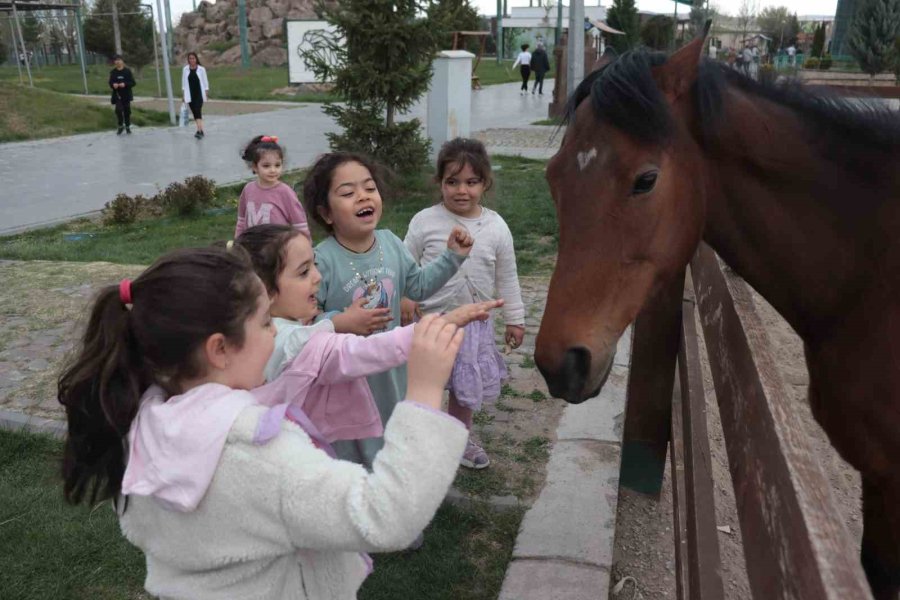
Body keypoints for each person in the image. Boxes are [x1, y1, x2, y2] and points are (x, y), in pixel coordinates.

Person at [57, 246, 472, 598]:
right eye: (266, 323)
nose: (276, 334)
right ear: (219, 349)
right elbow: (386, 516)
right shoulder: (259, 456)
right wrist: (424, 393)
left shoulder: (138, 428)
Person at [235, 224, 502, 445]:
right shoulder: (293, 342)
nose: (317, 277)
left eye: (313, 266)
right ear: (266, 292)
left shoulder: (249, 331)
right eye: (304, 272)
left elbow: (417, 284)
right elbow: (366, 350)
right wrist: (443, 323)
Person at [303, 151, 474, 470]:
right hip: (350, 379)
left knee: (394, 431)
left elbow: (418, 286)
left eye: (369, 188)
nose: (363, 196)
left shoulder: (391, 243)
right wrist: (340, 321)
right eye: (348, 192)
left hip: (394, 370)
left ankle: (395, 484)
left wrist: (452, 257)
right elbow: (305, 324)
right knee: (354, 444)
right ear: (326, 213)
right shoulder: (321, 261)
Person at [401, 138, 525, 470]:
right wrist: (406, 296)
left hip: (474, 325)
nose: (461, 190)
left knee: (463, 388)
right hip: (431, 322)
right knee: (425, 383)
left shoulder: (496, 227)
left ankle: (458, 438)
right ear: (439, 182)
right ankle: (417, 435)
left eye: (471, 182)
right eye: (452, 182)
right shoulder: (424, 221)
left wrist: (515, 319)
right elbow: (405, 264)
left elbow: (508, 276)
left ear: (485, 183)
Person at [235, 135, 310, 239]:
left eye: (277, 165)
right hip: (251, 248)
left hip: (278, 249)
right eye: (266, 166)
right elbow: (242, 220)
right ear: (254, 167)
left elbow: (300, 223)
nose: (273, 170)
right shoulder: (248, 189)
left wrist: (305, 247)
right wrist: (238, 242)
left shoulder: (285, 192)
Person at [181, 51, 209, 139]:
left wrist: (206, 91)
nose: (192, 60)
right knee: (194, 112)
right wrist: (183, 95)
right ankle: (200, 130)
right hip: (190, 94)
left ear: (196, 59)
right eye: (190, 59)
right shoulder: (185, 69)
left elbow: (205, 81)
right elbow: (184, 83)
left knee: (198, 110)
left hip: (199, 93)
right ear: (188, 60)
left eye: (193, 58)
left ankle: (199, 130)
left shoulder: (201, 69)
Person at [108, 54, 135, 135]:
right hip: (117, 95)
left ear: (122, 61)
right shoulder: (113, 72)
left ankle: (127, 126)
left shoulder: (127, 71)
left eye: (119, 60)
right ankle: (120, 126)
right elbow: (110, 82)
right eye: (116, 60)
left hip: (126, 94)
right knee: (118, 110)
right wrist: (113, 85)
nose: (117, 62)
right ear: (114, 62)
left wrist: (125, 84)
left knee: (127, 111)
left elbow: (133, 83)